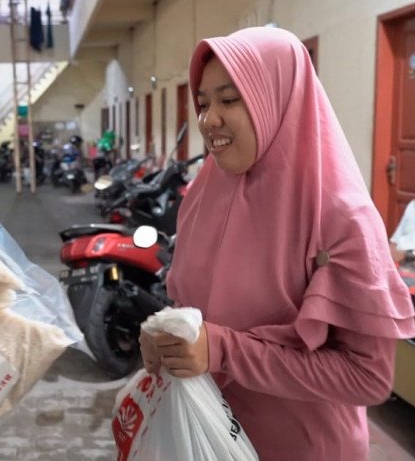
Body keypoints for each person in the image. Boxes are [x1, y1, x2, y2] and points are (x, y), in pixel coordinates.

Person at [139, 27, 415, 460]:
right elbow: (197, 308)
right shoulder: (205, 196)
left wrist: (224, 351)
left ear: (278, 100)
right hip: (210, 439)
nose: (209, 119)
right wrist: (171, 338)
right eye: (204, 102)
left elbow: (367, 377)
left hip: (305, 448)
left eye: (230, 100)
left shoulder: (341, 217)